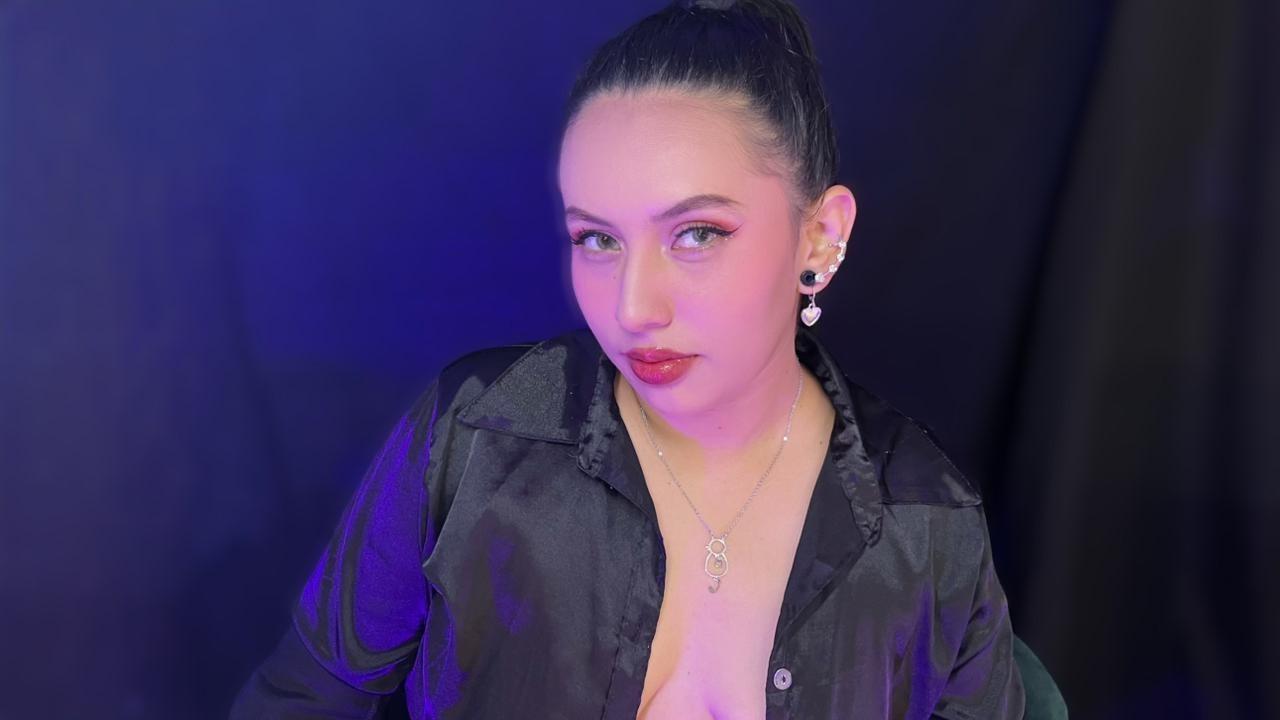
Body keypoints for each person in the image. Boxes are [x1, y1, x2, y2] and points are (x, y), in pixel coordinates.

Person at [231, 0, 1026, 718]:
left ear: (820, 237)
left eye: (697, 234)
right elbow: (304, 695)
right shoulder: (474, 438)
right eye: (597, 239)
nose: (632, 308)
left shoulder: (929, 526)